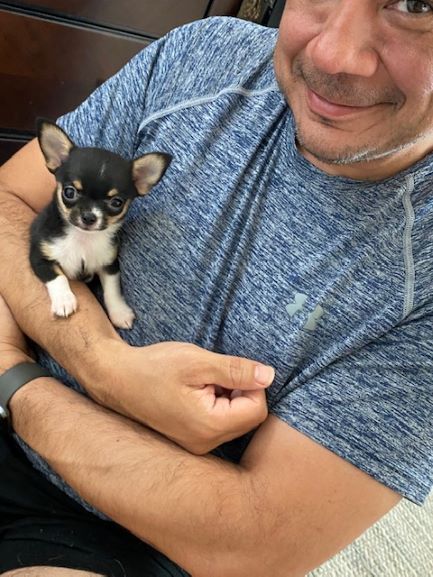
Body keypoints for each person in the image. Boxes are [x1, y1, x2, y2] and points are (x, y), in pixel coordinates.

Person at [0, 1, 432, 575]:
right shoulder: (200, 56)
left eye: (416, 4)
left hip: (122, 536)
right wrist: (106, 367)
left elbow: (249, 541)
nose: (331, 54)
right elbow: (9, 201)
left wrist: (16, 385)